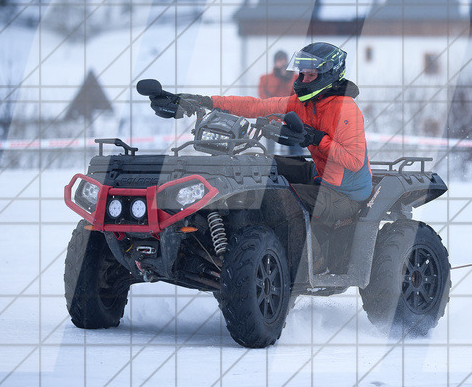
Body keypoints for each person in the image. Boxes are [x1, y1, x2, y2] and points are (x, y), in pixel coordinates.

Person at [149, 42, 371, 272]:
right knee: (261, 165)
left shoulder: (345, 109)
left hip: (345, 194)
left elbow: (354, 161)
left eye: (310, 74)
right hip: (321, 175)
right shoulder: (304, 101)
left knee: (283, 198)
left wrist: (315, 138)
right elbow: (256, 106)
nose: (303, 79)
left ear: (328, 74)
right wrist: (205, 101)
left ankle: (313, 265)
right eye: (302, 73)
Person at [259, 49, 305, 154]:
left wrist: (288, 78)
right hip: (272, 116)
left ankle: (296, 165)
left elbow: (298, 95)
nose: (282, 64)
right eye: (279, 61)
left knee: (295, 147)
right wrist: (278, 76)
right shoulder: (265, 78)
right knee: (270, 151)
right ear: (275, 62)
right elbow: (264, 96)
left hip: (291, 116)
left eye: (284, 61)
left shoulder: (294, 77)